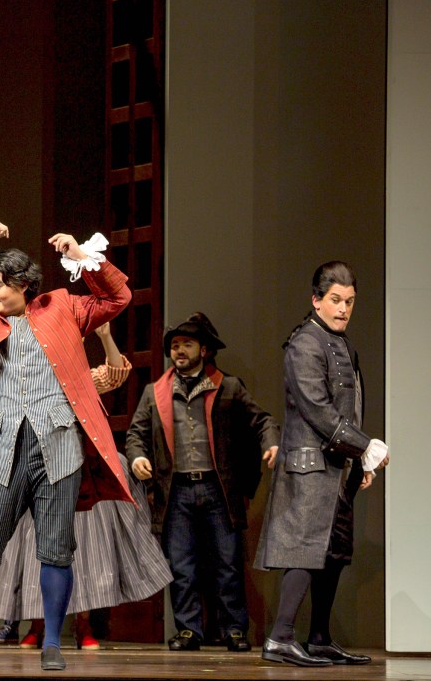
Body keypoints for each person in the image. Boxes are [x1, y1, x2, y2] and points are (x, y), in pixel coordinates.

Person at [0, 216, 132, 671]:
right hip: (4, 449)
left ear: (24, 285)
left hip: (58, 448)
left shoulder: (63, 307)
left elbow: (118, 296)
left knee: (56, 549)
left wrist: (81, 258)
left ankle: (52, 644)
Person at [0, 321, 171, 651]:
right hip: (36, 470)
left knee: (83, 549)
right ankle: (39, 624)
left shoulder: (78, 379)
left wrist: (104, 336)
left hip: (78, 471)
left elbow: (116, 374)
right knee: (34, 550)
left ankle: (83, 624)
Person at [255, 261, 388, 667]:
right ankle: (280, 638)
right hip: (310, 468)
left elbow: (350, 407)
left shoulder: (342, 343)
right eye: (335, 300)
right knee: (305, 550)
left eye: (349, 301)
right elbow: (318, 409)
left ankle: (319, 638)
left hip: (336, 467)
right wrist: (365, 446)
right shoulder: (305, 344)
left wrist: (357, 459)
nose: (343, 308)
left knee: (333, 553)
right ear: (316, 300)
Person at [126, 312, 279, 653]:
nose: (179, 351)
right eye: (175, 345)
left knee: (227, 562)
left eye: (187, 345)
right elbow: (136, 434)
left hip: (217, 488)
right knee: (181, 564)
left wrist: (271, 443)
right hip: (175, 489)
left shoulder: (229, 386)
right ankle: (188, 630)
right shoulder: (156, 392)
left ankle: (235, 629)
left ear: (205, 350)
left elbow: (262, 420)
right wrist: (137, 456)